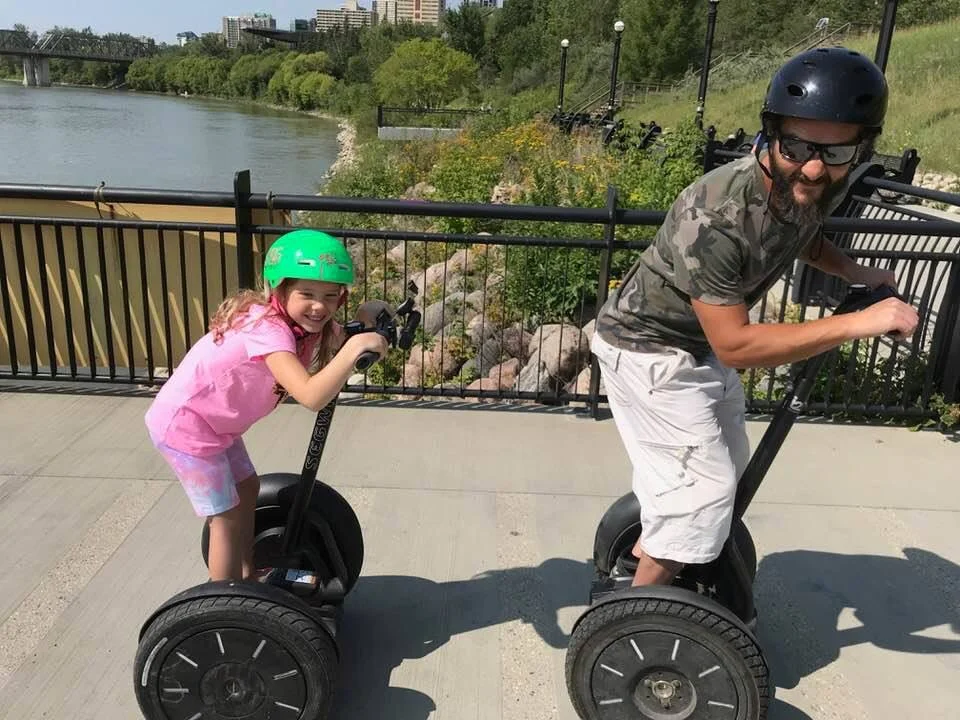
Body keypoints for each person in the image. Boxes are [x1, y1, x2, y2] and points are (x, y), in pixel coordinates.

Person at [591, 47, 919, 588]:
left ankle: (650, 554)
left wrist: (857, 273)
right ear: (769, 137)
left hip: (694, 347)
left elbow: (805, 240)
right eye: (797, 147)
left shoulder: (812, 186)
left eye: (835, 153)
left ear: (858, 150)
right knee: (702, 492)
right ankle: (634, 619)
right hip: (646, 348)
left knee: (724, 470)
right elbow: (737, 347)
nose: (814, 166)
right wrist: (861, 322)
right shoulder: (715, 214)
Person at [144, 229, 388, 582]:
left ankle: (246, 579)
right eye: (307, 294)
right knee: (225, 515)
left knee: (247, 489)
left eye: (331, 296)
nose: (319, 306)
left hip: (218, 426)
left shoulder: (304, 325)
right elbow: (310, 395)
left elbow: (344, 339)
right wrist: (353, 350)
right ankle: (224, 599)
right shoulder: (268, 329)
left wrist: (368, 322)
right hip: (186, 425)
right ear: (280, 290)